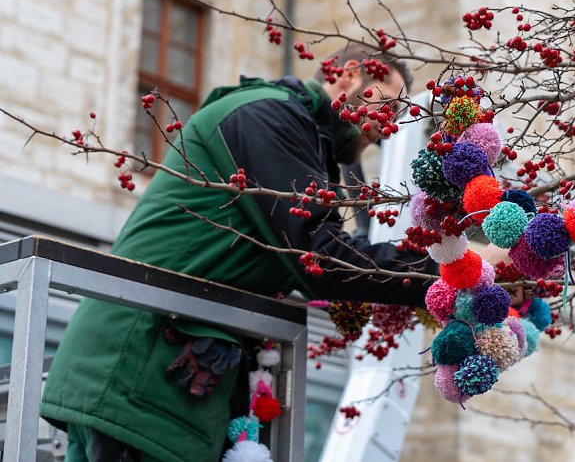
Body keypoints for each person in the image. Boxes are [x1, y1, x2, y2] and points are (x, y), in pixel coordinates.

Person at [41, 42, 435, 462]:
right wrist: (454, 270)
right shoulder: (269, 116)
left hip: (153, 377)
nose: (384, 131)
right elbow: (320, 257)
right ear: (351, 74)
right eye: (388, 109)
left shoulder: (295, 137)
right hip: (139, 372)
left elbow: (315, 255)